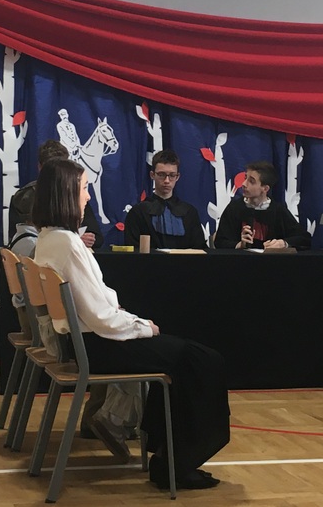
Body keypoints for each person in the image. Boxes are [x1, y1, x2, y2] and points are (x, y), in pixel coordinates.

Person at [32, 158, 232, 489]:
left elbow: (96, 306)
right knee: (204, 361)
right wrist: (142, 327)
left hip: (81, 341)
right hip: (98, 346)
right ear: (65, 193)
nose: (88, 197)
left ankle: (168, 456)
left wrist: (127, 318)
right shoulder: (67, 244)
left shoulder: (49, 238)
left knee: (188, 358)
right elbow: (102, 319)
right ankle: (177, 464)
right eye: (83, 189)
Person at [11, 140, 108, 251]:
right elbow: (21, 238)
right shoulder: (25, 197)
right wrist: (71, 242)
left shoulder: (76, 195)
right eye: (51, 170)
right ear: (40, 167)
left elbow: (97, 237)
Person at [213, 161, 312, 251]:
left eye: (251, 181)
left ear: (265, 189)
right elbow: (220, 242)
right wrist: (239, 245)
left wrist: (283, 243)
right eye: (245, 178)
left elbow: (304, 239)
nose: (244, 184)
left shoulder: (278, 211)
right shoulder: (234, 208)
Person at [122, 149, 207, 250]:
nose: (167, 181)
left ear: (177, 177)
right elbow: (132, 249)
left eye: (172, 175)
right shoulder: (138, 212)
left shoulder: (189, 212)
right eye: (161, 175)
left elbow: (199, 249)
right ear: (152, 175)